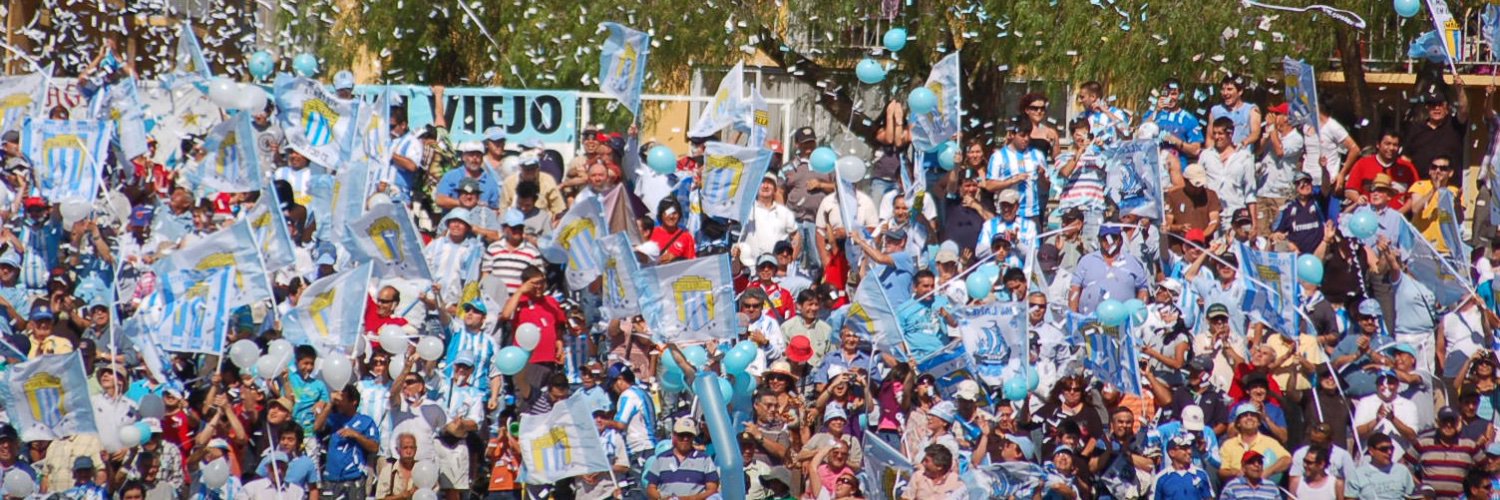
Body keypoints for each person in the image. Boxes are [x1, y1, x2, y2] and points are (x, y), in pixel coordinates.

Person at [1069, 225, 1150, 314]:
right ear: (1099, 239)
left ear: (1120, 240)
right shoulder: (1086, 261)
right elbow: (1075, 287)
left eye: (1113, 238)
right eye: (1105, 238)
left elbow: (1143, 288)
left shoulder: (1133, 262)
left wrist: (1139, 315)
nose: (1109, 241)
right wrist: (1073, 318)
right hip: (1090, 322)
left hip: (1122, 322)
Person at [644, 418, 720, 500]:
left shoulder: (705, 459)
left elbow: (712, 490)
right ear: (674, 435)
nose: (685, 439)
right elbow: (651, 488)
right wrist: (661, 498)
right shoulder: (661, 459)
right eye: (682, 435)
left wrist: (690, 499)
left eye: (689, 435)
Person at [1345, 433, 1416, 499]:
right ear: (1371, 451)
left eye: (1391, 448)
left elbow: (1411, 496)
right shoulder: (1358, 474)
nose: (1389, 452)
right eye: (1384, 449)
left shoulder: (1402, 471)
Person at [1207, 74, 1262, 150]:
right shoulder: (1215, 110)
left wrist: (1243, 143)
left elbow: (1255, 133)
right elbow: (1210, 138)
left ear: (1240, 92)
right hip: (1220, 157)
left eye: (1229, 89)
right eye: (1223, 89)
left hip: (1242, 156)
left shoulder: (1251, 109)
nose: (1225, 93)